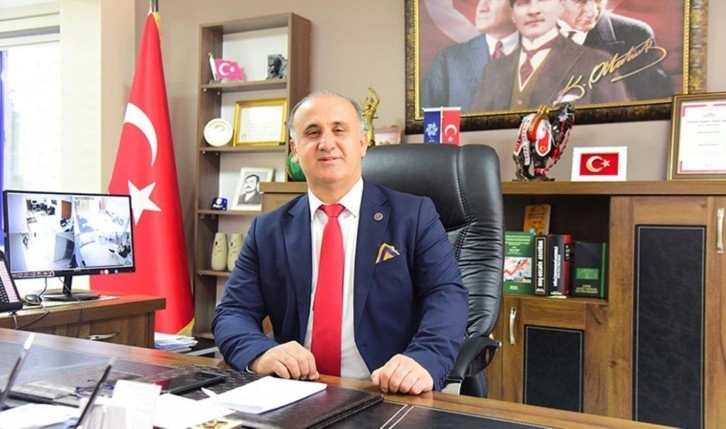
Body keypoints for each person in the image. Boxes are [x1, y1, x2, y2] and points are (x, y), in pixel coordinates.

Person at [213, 91, 468, 395]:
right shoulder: (267, 230)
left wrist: (423, 359)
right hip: (296, 390)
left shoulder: (413, 216)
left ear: (362, 143)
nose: (326, 143)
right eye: (312, 132)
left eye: (339, 130)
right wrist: (260, 353)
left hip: (385, 389)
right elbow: (233, 312)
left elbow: (446, 295)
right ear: (295, 150)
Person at [469, 0, 628, 112]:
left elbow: (618, 127)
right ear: (513, 15)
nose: (533, 10)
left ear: (561, 6)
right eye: (523, 2)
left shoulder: (595, 63)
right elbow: (474, 133)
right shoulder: (494, 70)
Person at [557, 0, 672, 100]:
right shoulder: (545, 33)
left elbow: (657, 103)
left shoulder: (636, 36)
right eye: (581, 1)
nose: (592, 11)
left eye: (598, 0)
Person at [421, 0, 518, 112]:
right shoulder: (448, 59)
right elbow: (428, 116)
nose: (481, 8)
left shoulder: (534, 55)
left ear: (517, 7)